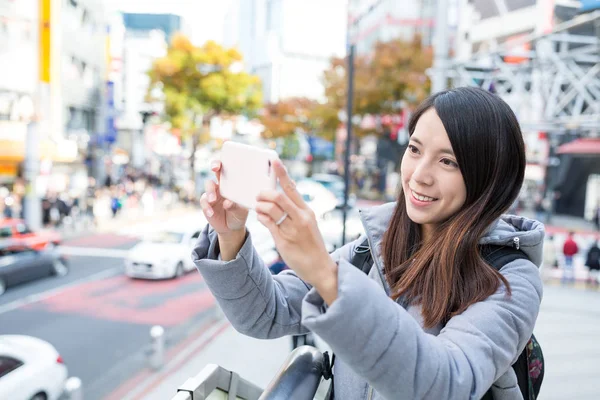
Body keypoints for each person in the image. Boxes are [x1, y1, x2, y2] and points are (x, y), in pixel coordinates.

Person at [193, 87, 543, 400]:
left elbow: (445, 384)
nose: (419, 174)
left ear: (490, 177)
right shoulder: (375, 247)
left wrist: (326, 274)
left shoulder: (510, 279)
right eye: (414, 149)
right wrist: (232, 234)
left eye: (447, 161)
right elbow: (265, 315)